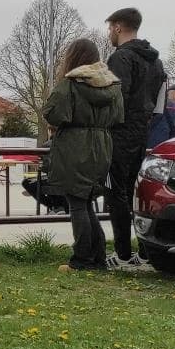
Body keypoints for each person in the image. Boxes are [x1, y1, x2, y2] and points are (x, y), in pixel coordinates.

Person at [42, 38, 123, 272]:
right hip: (102, 146)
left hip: (75, 147)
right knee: (86, 203)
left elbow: (53, 114)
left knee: (77, 204)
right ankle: (97, 257)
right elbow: (119, 117)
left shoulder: (70, 84)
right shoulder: (113, 86)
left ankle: (82, 259)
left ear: (73, 57)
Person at [102, 8, 166, 270]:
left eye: (110, 29)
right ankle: (147, 253)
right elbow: (159, 105)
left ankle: (123, 255)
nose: (109, 34)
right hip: (142, 133)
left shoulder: (121, 59)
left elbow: (116, 99)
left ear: (118, 27)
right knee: (136, 194)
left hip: (118, 134)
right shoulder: (156, 61)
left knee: (115, 194)